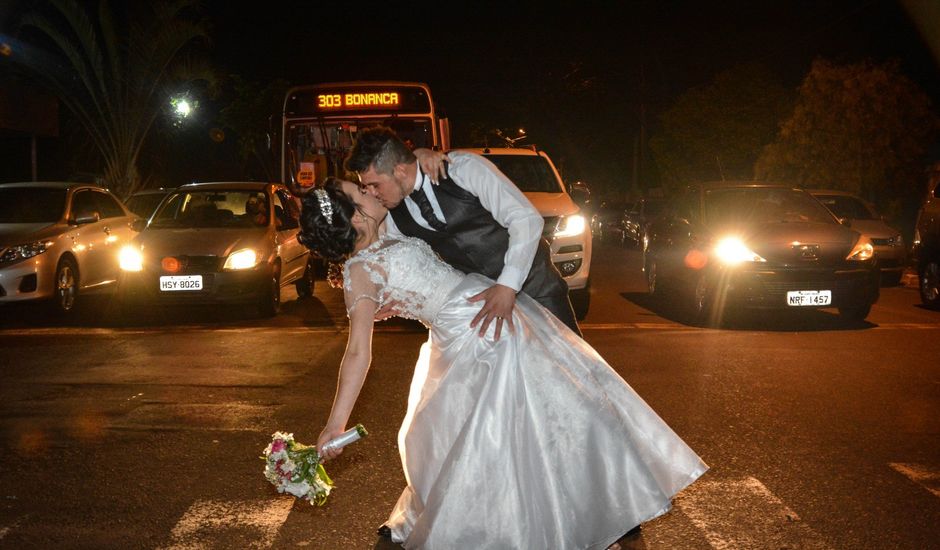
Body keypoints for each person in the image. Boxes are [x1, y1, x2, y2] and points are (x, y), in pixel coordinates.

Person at [299, 177, 707, 550]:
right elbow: (358, 351)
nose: (371, 192)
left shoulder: (382, 238)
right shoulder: (359, 272)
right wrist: (335, 424)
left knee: (553, 420)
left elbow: (409, 277)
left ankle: (599, 512)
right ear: (354, 216)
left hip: (489, 314)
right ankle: (555, 521)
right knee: (510, 437)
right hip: (475, 337)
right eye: (360, 194)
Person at [345, 126, 582, 338]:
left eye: (375, 184)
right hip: (481, 307)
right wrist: (399, 297)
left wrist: (507, 285)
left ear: (399, 170)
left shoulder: (462, 169)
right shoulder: (394, 215)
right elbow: (397, 259)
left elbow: (526, 219)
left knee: (575, 372)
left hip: (536, 288)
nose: (373, 193)